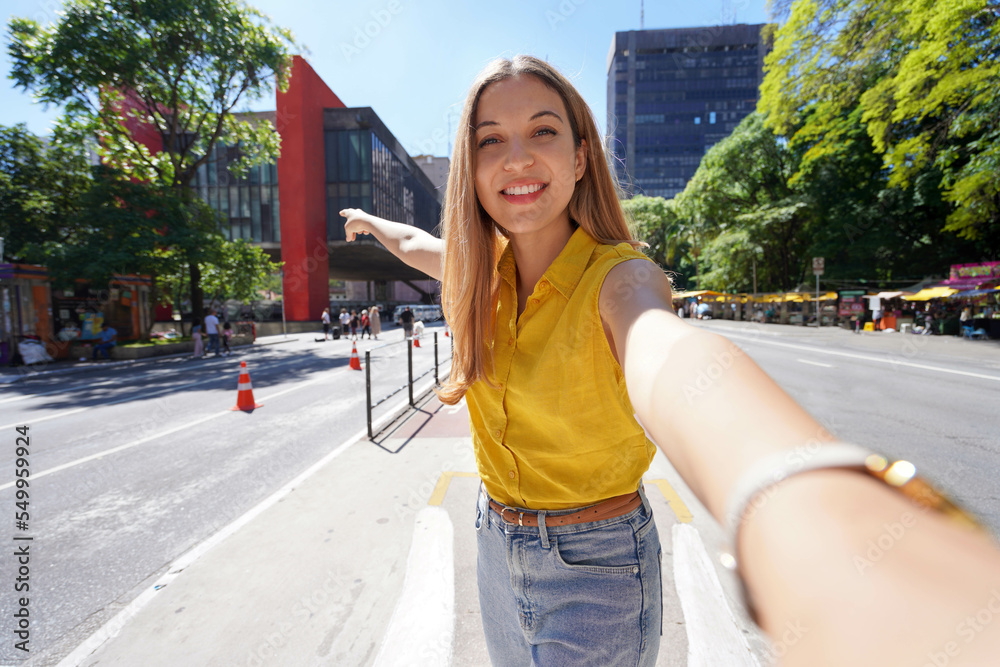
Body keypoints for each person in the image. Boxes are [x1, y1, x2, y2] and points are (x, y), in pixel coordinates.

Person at [341, 56, 1000, 666]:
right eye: (491, 139)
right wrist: (371, 220)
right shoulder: (481, 270)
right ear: (471, 167)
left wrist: (806, 497)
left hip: (596, 566)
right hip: (494, 542)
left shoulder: (620, 277)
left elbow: (671, 358)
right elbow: (418, 243)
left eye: (543, 131)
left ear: (580, 157)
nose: (516, 158)